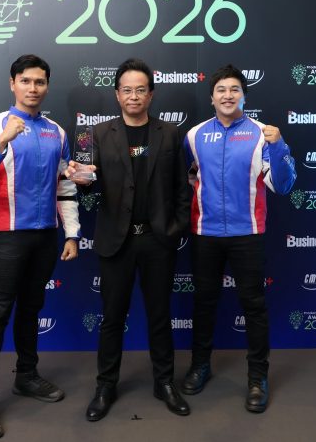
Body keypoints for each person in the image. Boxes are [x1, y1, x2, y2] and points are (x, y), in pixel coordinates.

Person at [0, 54, 80, 439]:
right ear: (12, 84)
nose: (33, 88)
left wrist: (72, 233)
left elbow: (65, 184)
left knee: (31, 309)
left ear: (47, 86)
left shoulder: (57, 131)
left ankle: (26, 376)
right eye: (25, 81)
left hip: (45, 236)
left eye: (40, 82)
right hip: (7, 235)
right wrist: (1, 142)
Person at [65, 58, 191, 421]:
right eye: (127, 90)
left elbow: (182, 188)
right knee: (112, 317)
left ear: (150, 94)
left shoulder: (170, 134)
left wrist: (176, 228)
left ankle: (164, 382)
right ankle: (105, 386)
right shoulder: (96, 133)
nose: (133, 96)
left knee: (160, 315)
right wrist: (81, 179)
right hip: (115, 241)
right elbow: (86, 181)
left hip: (158, 241)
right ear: (117, 95)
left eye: (140, 90)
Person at [180, 64, 296, 413]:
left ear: (244, 96)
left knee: (254, 306)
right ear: (212, 97)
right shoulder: (194, 136)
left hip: (248, 234)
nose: (227, 95)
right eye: (221, 90)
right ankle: (200, 366)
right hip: (206, 233)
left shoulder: (263, 134)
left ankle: (257, 377)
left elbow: (284, 185)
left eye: (234, 89)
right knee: (204, 303)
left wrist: (279, 146)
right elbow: (187, 179)